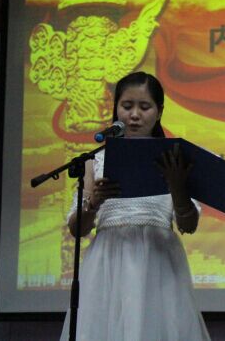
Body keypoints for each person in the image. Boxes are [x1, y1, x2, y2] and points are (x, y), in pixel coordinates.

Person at [60, 71, 210, 341]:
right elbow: (76, 229)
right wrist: (94, 202)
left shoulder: (174, 159)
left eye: (145, 107)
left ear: (159, 111)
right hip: (108, 264)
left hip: (158, 264)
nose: (134, 115)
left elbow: (188, 225)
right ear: (116, 108)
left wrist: (178, 186)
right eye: (127, 106)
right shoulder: (95, 160)